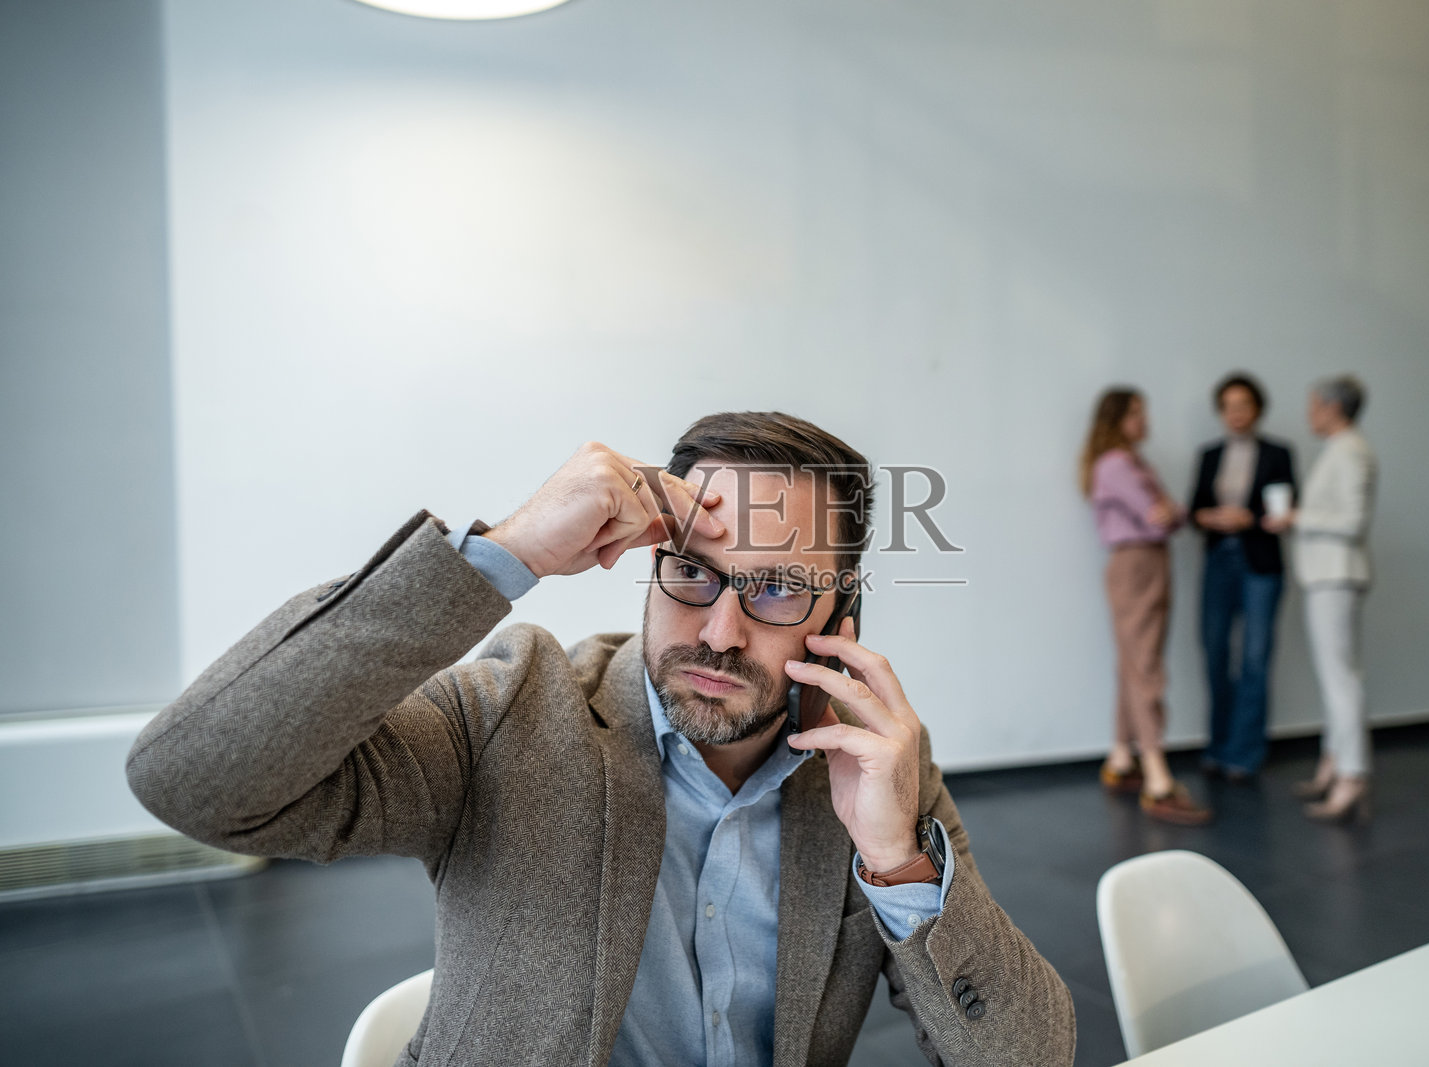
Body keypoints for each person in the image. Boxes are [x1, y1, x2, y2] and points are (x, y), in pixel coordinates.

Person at [126, 411, 1076, 1067]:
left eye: (777, 588)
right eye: (692, 574)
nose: (718, 632)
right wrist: (508, 552)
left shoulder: (874, 772)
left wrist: (896, 863)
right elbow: (192, 778)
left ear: (845, 617)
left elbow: (1033, 1052)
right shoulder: (513, 712)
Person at [1081, 388, 1212, 826]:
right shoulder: (1117, 464)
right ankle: (1158, 779)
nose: (1144, 420)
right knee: (1145, 668)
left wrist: (1172, 513)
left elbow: (1170, 516)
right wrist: (1172, 511)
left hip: (1145, 562)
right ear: (1116, 419)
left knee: (1133, 664)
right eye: (1136, 413)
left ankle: (1122, 759)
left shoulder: (1125, 462)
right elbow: (1160, 514)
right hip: (1138, 561)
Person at [1264, 377, 1378, 823]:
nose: (1309, 413)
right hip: (1327, 576)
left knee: (1341, 677)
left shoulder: (1351, 451)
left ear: (1333, 407)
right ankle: (1333, 764)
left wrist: (1296, 517)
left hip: (1336, 575)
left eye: (1313, 405)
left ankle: (1352, 774)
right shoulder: (1342, 449)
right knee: (1336, 675)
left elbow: (1353, 521)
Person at [1187, 373, 1297, 782]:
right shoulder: (1210, 455)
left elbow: (1287, 506)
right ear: (1221, 411)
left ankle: (1245, 752)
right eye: (1229, 406)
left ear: (1257, 409)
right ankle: (1218, 745)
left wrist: (1249, 518)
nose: (1236, 413)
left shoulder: (1277, 453)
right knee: (1215, 651)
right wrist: (1213, 517)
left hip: (1260, 562)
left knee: (1255, 657)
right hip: (1219, 558)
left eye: (1244, 405)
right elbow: (1194, 509)